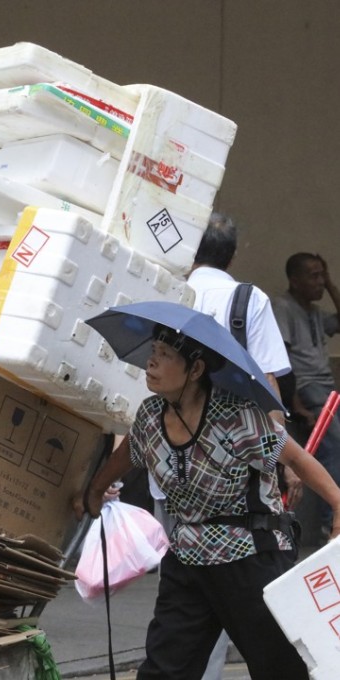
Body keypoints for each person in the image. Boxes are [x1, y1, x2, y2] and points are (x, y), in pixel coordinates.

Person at [76, 324, 340, 680]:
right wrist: (93, 493)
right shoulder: (150, 417)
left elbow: (296, 460)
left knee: (280, 668)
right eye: (152, 351)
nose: (151, 362)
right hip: (187, 558)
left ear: (195, 369)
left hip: (250, 557)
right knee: (165, 669)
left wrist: (339, 507)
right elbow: (125, 458)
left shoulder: (238, 416)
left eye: (165, 355)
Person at [158, 213, 298, 680]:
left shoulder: (164, 296)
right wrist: (285, 464)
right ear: (232, 255)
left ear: (187, 253)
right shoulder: (247, 298)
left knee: (188, 591)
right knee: (252, 610)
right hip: (242, 485)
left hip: (174, 473)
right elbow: (270, 385)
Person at [272, 253, 340, 541]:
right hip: (307, 388)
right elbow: (280, 360)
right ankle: (331, 521)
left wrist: (331, 285)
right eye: (313, 276)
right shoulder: (283, 307)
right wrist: (295, 402)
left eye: (321, 275)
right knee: (334, 441)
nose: (319, 282)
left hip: (327, 387)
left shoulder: (314, 313)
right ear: (294, 280)